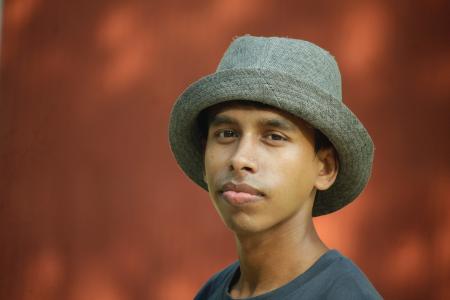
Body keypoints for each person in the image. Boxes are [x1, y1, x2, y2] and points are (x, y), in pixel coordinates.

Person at [168, 35, 382, 299]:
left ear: (325, 167)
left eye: (274, 137)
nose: (240, 158)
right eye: (226, 134)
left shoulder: (343, 295)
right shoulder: (212, 292)